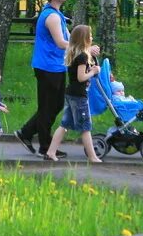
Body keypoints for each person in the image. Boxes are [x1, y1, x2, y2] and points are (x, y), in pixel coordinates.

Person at [15, 0, 98, 158]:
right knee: (47, 107)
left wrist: (85, 47)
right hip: (47, 67)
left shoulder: (58, 15)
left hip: (55, 66)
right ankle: (45, 147)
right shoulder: (51, 17)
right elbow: (61, 43)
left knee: (56, 105)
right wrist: (84, 50)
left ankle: (26, 133)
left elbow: (70, 40)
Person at [44, 25, 103, 163]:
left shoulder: (76, 53)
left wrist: (92, 67)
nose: (92, 38)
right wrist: (93, 72)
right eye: (90, 36)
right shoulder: (82, 56)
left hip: (71, 94)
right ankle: (93, 157)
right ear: (84, 39)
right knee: (85, 127)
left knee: (64, 125)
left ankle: (51, 152)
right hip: (78, 96)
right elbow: (81, 77)